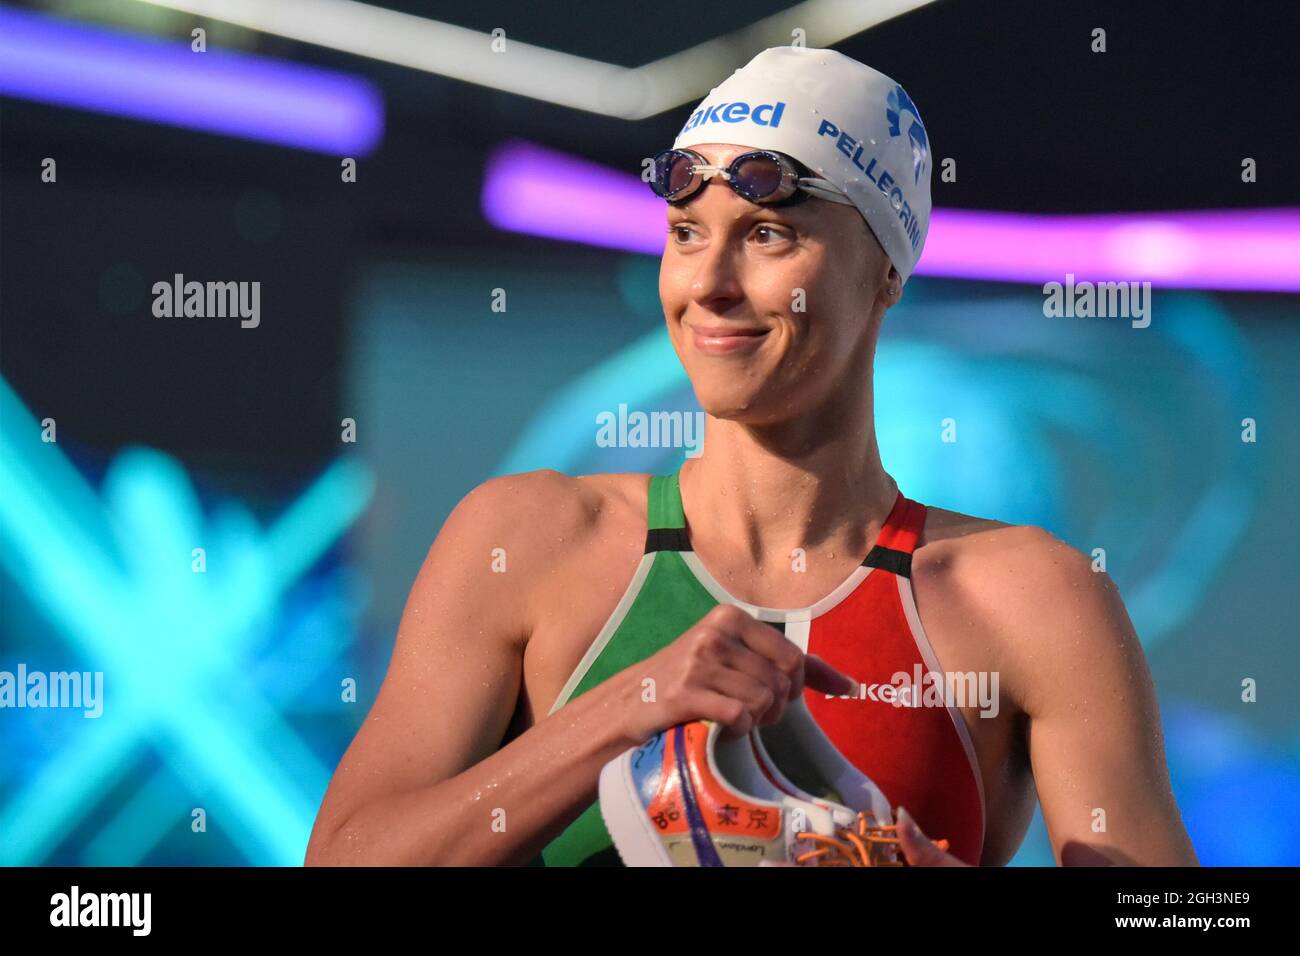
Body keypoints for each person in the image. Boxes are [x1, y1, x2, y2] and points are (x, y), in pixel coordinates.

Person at [304, 47, 1197, 867]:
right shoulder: (530, 539)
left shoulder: (1034, 599)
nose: (709, 285)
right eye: (686, 233)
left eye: (768, 234)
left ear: (886, 270)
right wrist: (626, 709)